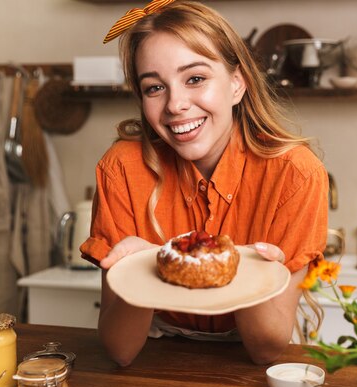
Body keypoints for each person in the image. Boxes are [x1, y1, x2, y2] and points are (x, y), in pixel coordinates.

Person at [80, 0, 328, 367]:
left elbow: (267, 349)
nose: (176, 105)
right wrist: (143, 268)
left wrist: (248, 273)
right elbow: (120, 350)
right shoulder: (121, 169)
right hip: (155, 359)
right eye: (154, 88)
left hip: (248, 365)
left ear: (237, 84)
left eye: (195, 78)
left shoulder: (296, 175)